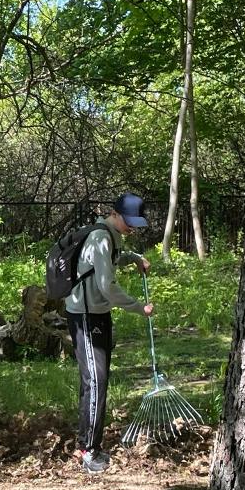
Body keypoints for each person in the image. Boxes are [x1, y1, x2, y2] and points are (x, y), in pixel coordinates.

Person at [66, 193, 153, 474]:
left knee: (96, 379)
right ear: (115, 214)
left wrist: (135, 257)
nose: (132, 227)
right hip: (86, 316)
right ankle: (89, 452)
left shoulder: (111, 235)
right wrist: (138, 307)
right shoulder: (101, 237)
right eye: (129, 221)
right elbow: (106, 285)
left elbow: (107, 262)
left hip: (97, 313)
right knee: (96, 380)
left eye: (135, 222)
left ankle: (88, 442)